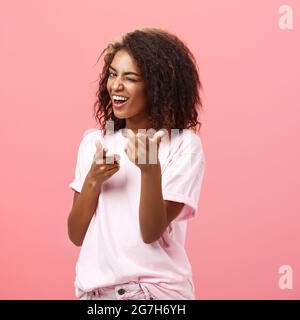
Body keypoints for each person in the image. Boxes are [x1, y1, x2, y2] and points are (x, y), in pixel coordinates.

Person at [67, 27, 205, 300]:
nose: (116, 86)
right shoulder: (95, 142)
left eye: (130, 78)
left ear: (157, 86)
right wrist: (93, 181)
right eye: (112, 74)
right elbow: (75, 234)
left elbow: (151, 232)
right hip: (94, 294)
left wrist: (150, 170)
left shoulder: (182, 145)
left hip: (152, 294)